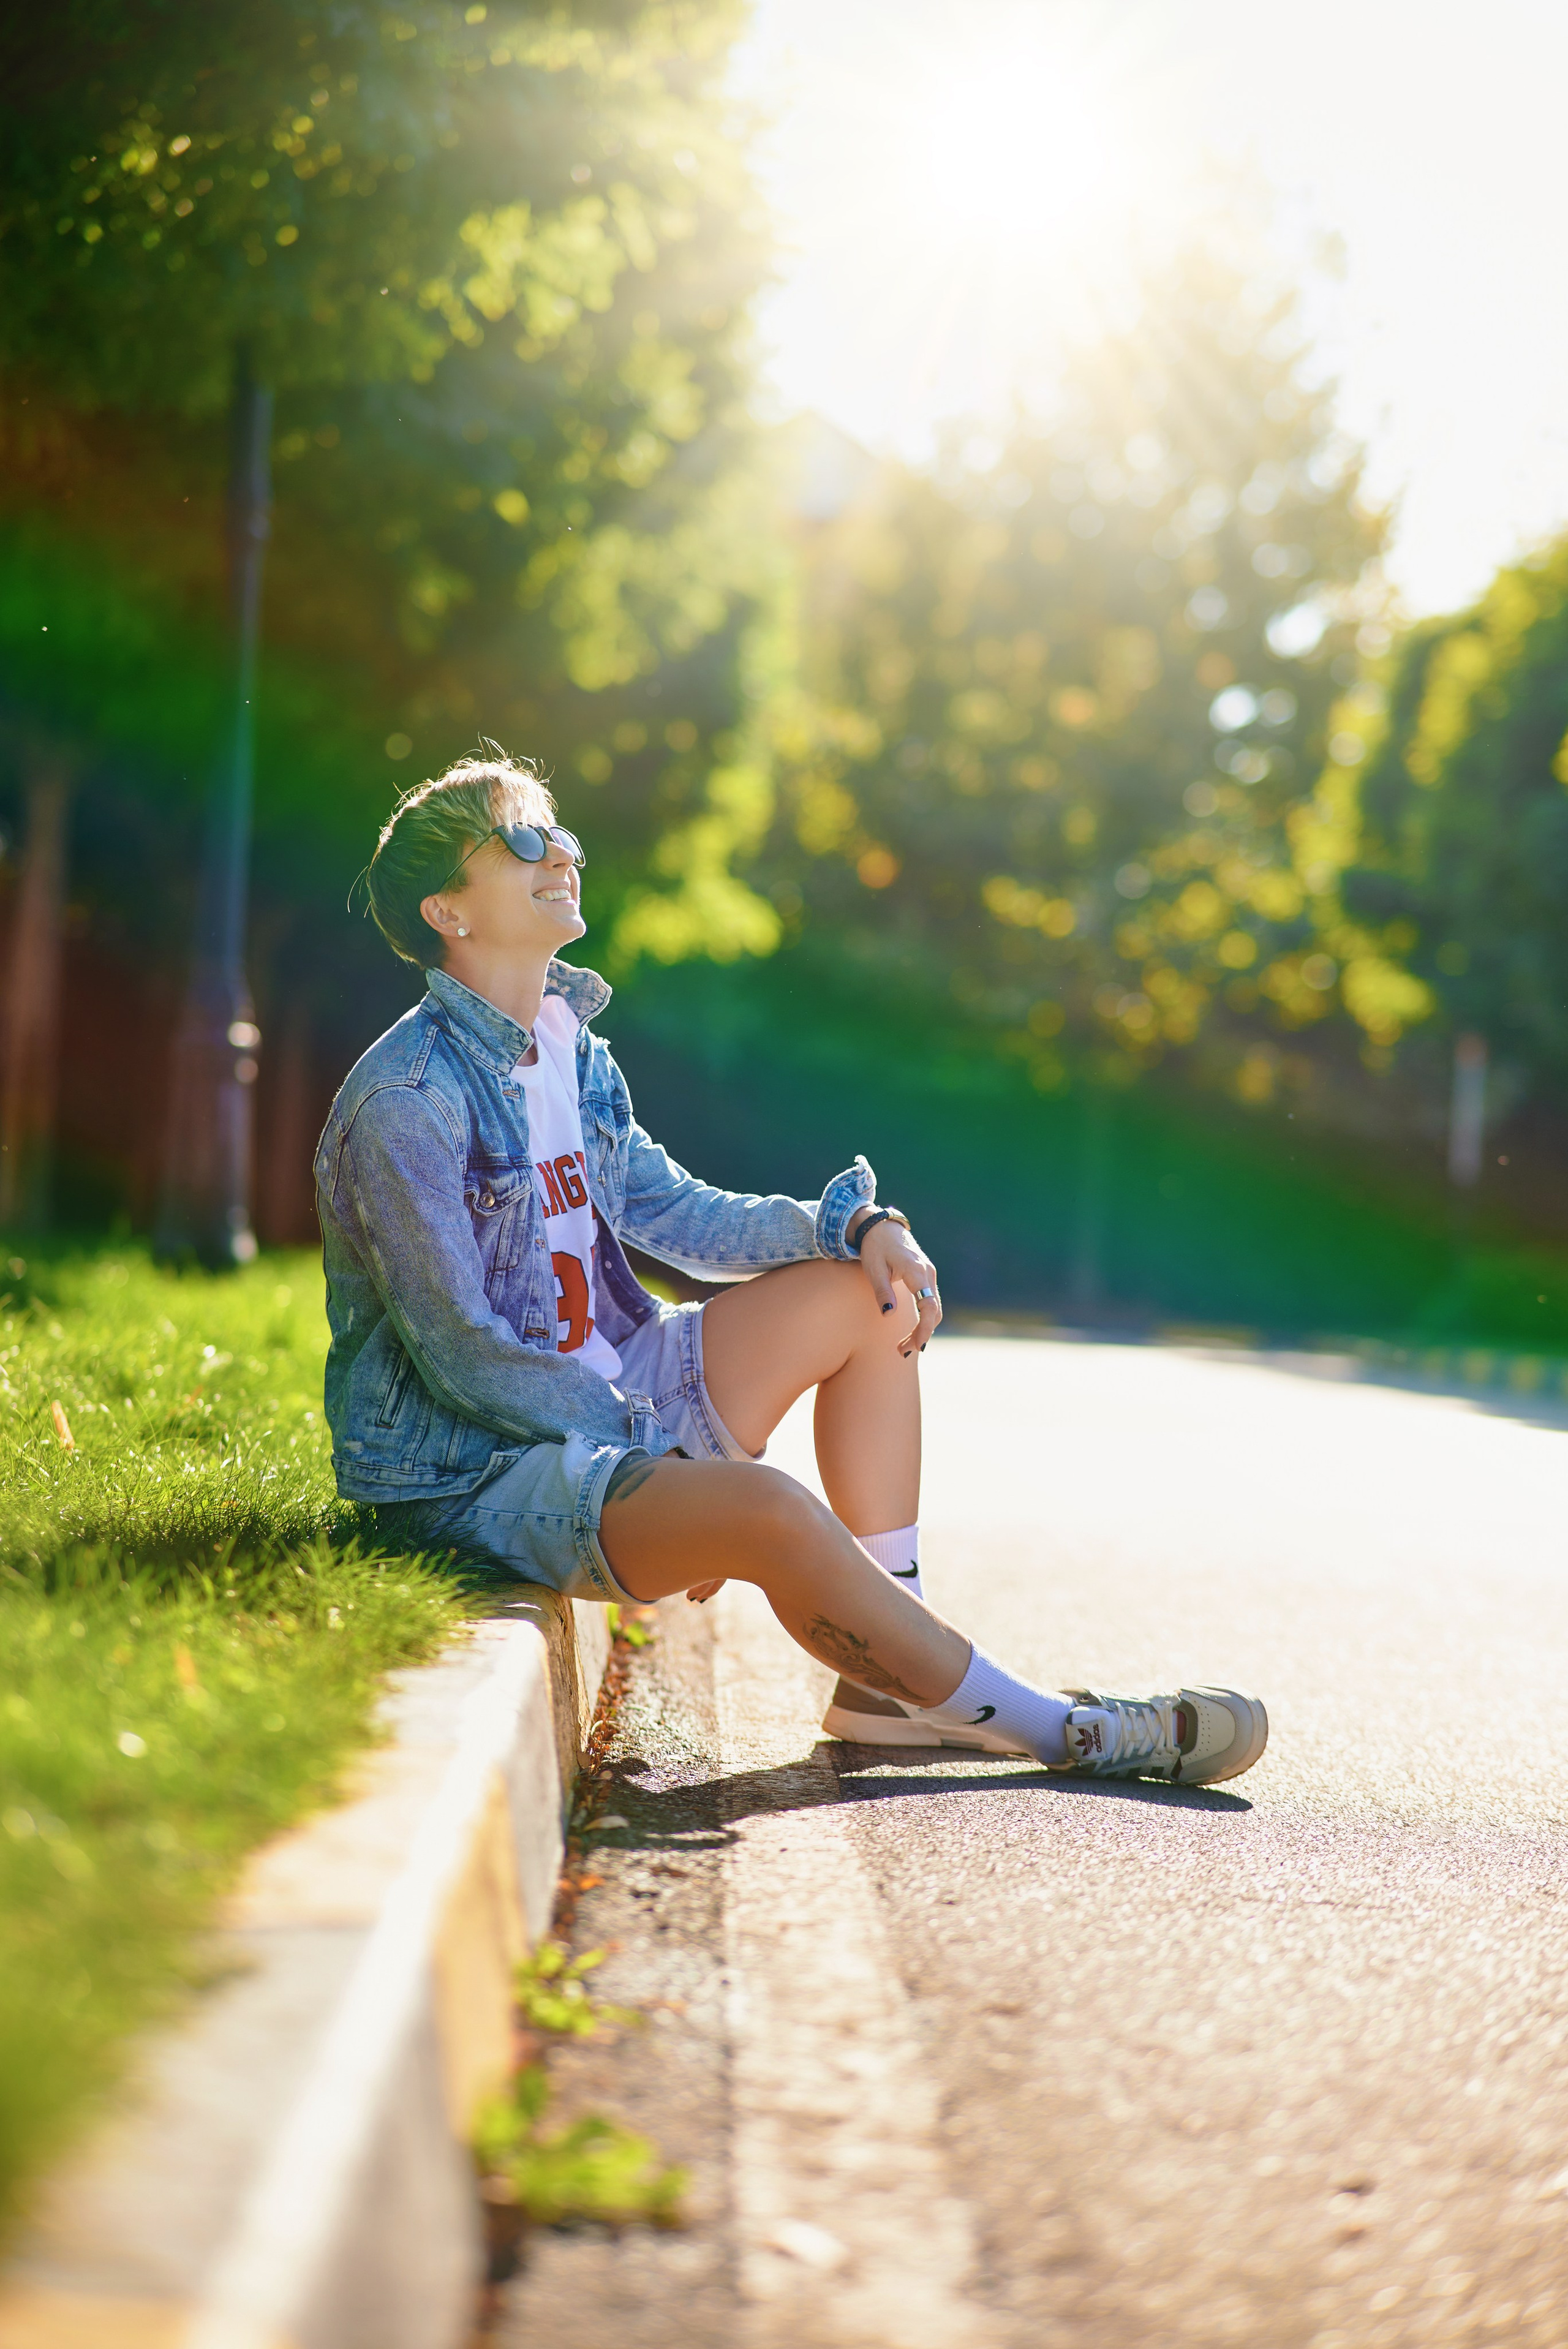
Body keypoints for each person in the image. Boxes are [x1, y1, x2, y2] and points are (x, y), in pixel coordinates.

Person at [316, 748, 1268, 1785]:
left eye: (566, 833)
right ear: (446, 910)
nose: (565, 855)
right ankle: (1063, 1732)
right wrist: (656, 1450)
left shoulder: (568, 1041)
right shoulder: (407, 1097)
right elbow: (462, 1355)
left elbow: (670, 1208)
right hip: (483, 1467)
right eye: (525, 839)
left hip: (615, 1389)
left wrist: (852, 1226)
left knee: (866, 1298)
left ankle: (881, 1691)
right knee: (767, 1511)